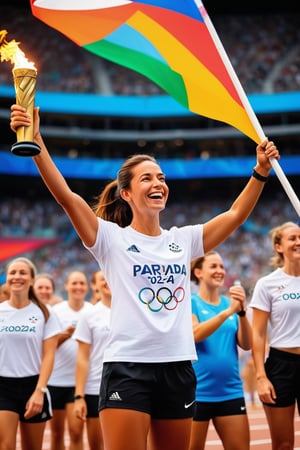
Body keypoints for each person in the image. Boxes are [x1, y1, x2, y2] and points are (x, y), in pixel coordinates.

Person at [10, 104, 279, 450]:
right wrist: (36, 140)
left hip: (179, 367)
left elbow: (236, 214)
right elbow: (66, 197)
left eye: (162, 177)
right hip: (128, 367)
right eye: (148, 178)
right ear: (126, 193)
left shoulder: (183, 240)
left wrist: (260, 170)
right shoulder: (110, 238)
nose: (159, 183)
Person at [189, 251, 251, 450]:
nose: (220, 271)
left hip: (230, 391)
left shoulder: (229, 304)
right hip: (197, 393)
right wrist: (227, 313)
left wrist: (241, 312)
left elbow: (246, 344)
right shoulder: (190, 302)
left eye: (222, 267)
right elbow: (195, 334)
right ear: (198, 272)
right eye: (213, 266)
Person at [0, 257, 61, 450]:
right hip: (3, 386)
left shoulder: (45, 313)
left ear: (32, 280)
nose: (17, 277)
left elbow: (49, 355)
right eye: (13, 272)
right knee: (5, 445)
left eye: (23, 273)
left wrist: (39, 391)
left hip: (33, 386)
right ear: (7, 277)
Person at [250, 221, 300, 450]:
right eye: (293, 238)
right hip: (282, 365)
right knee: (283, 444)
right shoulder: (267, 284)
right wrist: (261, 376)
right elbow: (258, 333)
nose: (299, 242)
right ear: (279, 246)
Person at [47, 269, 94, 450]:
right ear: (66, 286)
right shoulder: (56, 312)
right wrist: (65, 335)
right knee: (57, 434)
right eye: (74, 283)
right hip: (56, 381)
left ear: (87, 287)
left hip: (80, 384)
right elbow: (47, 347)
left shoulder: (91, 311)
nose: (78, 287)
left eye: (81, 283)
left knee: (76, 432)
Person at [73, 270, 112, 450]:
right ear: (95, 285)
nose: (107, 281)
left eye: (110, 276)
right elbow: (82, 357)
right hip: (96, 389)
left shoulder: (134, 310)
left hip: (130, 385)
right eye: (102, 279)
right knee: (96, 445)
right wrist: (79, 396)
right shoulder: (89, 315)